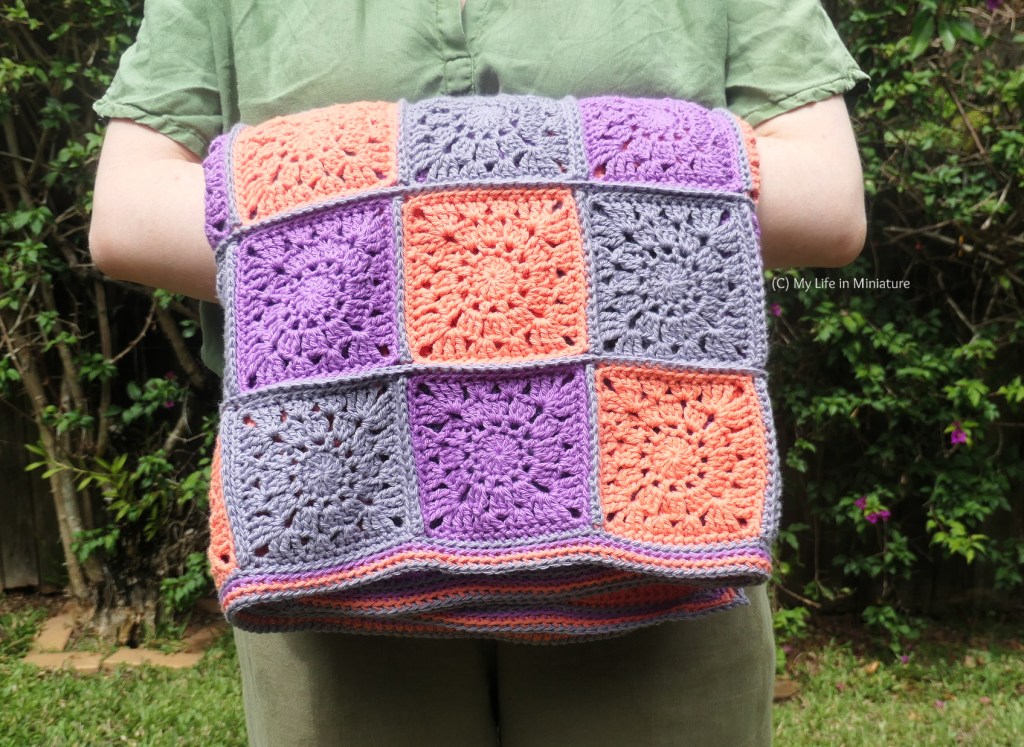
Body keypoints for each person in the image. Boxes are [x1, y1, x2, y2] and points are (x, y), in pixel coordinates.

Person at [90, 2, 868, 745]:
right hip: (337, 538)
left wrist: (395, 203)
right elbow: (127, 212)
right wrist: (504, 213)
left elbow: (828, 199)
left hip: (653, 544)